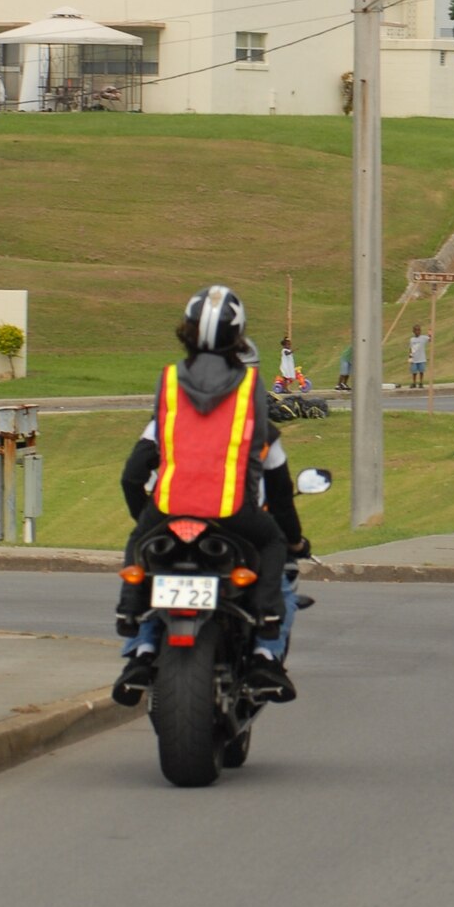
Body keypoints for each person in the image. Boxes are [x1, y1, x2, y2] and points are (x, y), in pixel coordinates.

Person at [111, 286, 293, 706]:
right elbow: (270, 474)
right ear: (239, 335)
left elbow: (133, 473)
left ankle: (131, 619)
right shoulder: (250, 389)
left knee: (141, 542)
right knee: (273, 542)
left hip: (170, 506)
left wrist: (149, 516)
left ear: (186, 331)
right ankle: (266, 627)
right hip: (231, 509)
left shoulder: (170, 380)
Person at [408, 324, 429, 389]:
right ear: (413, 331)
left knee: (421, 371)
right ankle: (414, 383)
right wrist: (410, 357)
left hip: (421, 358)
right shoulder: (412, 339)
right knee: (414, 372)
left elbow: (430, 338)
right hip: (414, 358)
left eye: (419, 330)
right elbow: (410, 348)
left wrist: (430, 332)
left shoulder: (423, 338)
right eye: (416, 330)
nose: (417, 332)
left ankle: (421, 382)